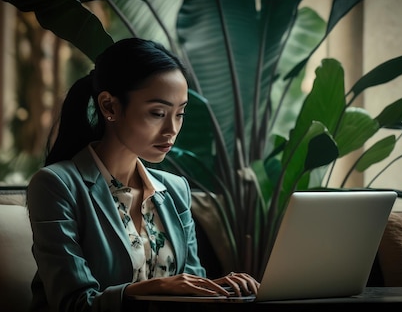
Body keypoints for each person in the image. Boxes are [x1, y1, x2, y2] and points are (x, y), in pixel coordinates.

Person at [26, 37, 260, 312]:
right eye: (158, 113)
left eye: (180, 114)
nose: (171, 129)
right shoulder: (56, 185)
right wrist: (155, 288)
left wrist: (219, 288)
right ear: (110, 107)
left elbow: (192, 283)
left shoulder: (174, 190)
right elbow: (72, 304)